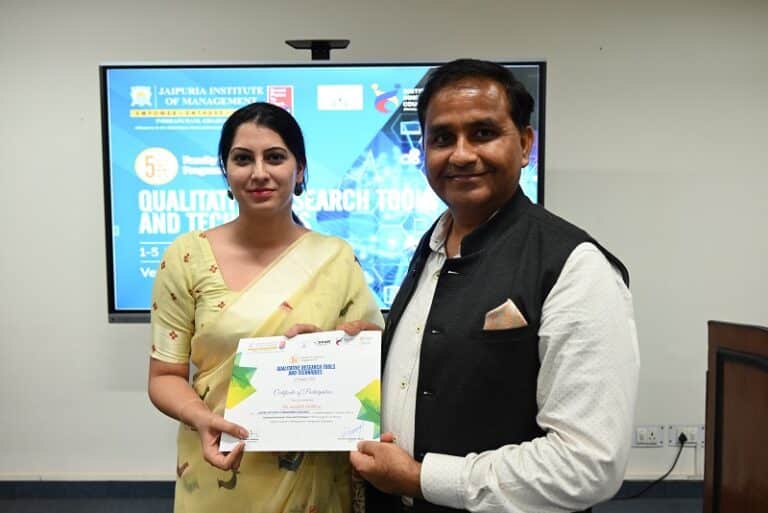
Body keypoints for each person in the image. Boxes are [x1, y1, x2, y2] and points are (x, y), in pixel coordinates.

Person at [349, 59, 640, 513]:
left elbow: (587, 465)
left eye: (483, 133)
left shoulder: (576, 267)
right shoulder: (432, 245)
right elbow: (455, 355)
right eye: (442, 138)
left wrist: (421, 478)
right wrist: (356, 352)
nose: (461, 155)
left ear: (525, 144)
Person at [147, 102, 384, 513]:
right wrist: (201, 418)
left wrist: (332, 348)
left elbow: (373, 358)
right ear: (226, 171)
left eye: (275, 157)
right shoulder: (186, 257)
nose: (259, 172)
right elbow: (164, 376)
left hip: (313, 475)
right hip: (218, 463)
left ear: (300, 169)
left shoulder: (335, 258)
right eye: (243, 159)